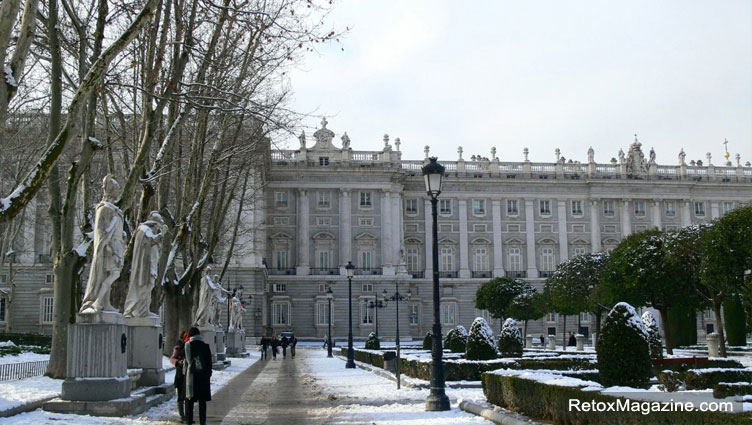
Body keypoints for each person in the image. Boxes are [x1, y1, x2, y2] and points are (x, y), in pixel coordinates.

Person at [184, 327, 212, 425]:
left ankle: (189, 421)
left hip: (191, 377)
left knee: (189, 401)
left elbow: (186, 363)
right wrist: (208, 374)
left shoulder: (187, 345)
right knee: (202, 402)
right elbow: (209, 363)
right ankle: (202, 422)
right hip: (203, 378)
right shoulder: (205, 346)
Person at [170, 330, 188, 423]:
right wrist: (178, 362)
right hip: (180, 374)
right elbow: (172, 359)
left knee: (187, 396)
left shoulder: (190, 345)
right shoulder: (178, 346)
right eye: (185, 336)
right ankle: (182, 415)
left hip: (187, 374)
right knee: (181, 395)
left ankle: (187, 415)